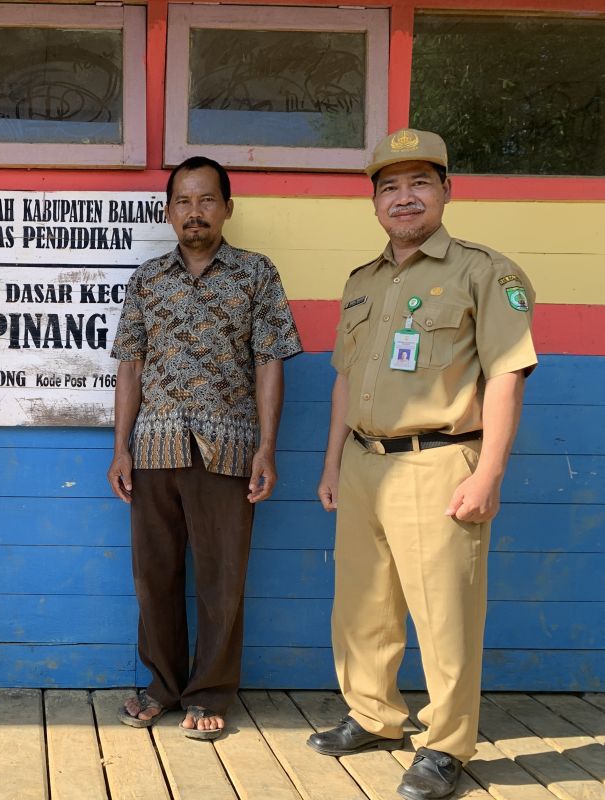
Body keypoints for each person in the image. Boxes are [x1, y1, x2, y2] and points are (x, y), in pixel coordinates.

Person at [307, 129, 537, 800]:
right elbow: (345, 381)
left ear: (446, 191)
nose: (403, 198)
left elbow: (507, 375)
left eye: (418, 183)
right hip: (362, 462)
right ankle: (375, 716)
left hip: (440, 462)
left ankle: (446, 746)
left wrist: (488, 472)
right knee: (362, 606)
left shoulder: (484, 272)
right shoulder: (362, 282)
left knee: (445, 615)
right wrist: (330, 465)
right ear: (374, 202)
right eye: (389, 187)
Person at [108, 156, 302, 739]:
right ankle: (164, 685)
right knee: (154, 576)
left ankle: (210, 690)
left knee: (223, 578)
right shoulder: (147, 279)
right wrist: (121, 448)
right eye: (184, 202)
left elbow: (270, 361)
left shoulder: (255, 274)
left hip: (228, 448)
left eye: (207, 200)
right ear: (169, 211)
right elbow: (129, 366)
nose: (195, 212)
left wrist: (267, 448)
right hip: (155, 450)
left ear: (227, 208)